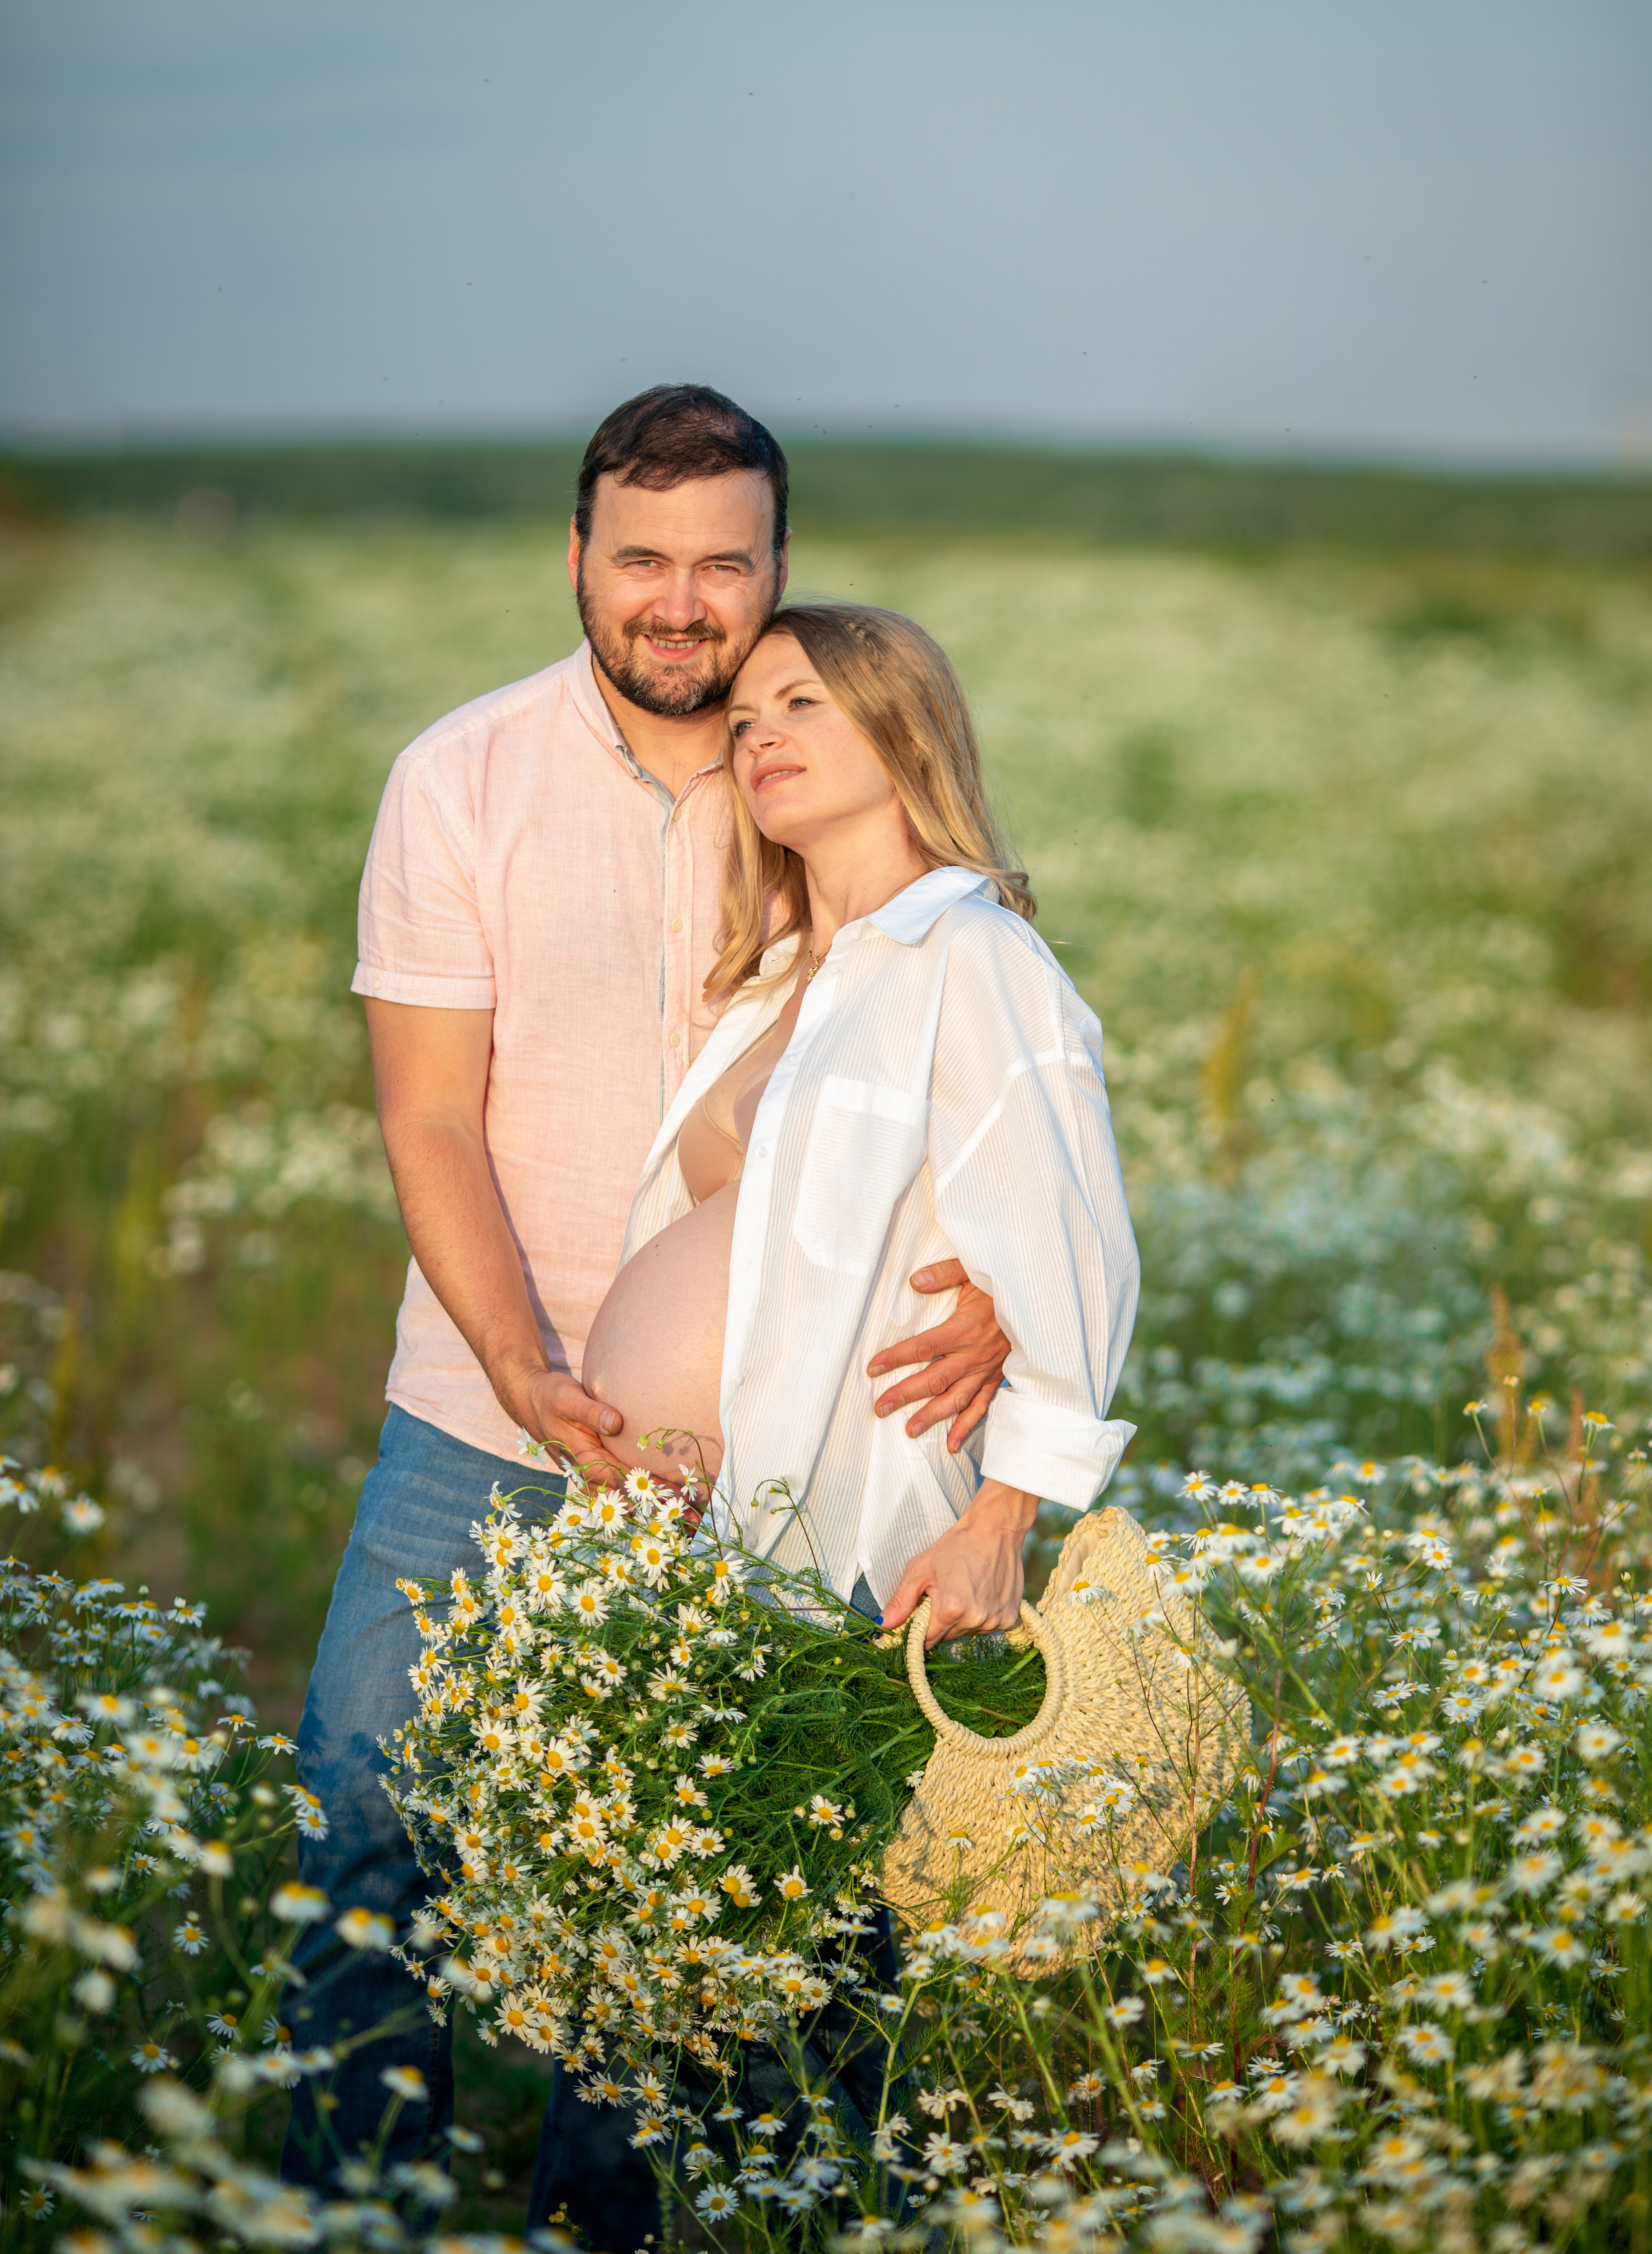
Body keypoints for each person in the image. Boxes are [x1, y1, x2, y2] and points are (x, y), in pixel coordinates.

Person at [280, 389, 1014, 2210]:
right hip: (490, 1414)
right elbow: (430, 1118)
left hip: (786, 1457)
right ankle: (348, 2205)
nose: (682, 601)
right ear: (582, 561)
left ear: (776, 567)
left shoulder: (822, 767)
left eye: (723, 563)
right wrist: (532, 1374)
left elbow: (978, 1072)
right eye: (644, 561)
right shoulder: (465, 775)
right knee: (364, 1817)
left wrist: (1003, 1290)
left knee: (715, 1898)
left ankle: (606, 2221)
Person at [584, 603, 1139, 1649]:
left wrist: (1000, 1523)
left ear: (910, 737)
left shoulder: (971, 953)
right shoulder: (776, 981)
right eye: (743, 724)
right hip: (677, 1561)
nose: (760, 740)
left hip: (837, 1568)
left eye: (801, 705)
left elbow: (1072, 1254)